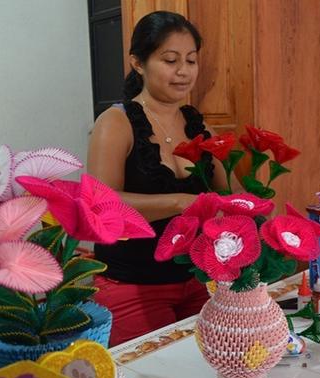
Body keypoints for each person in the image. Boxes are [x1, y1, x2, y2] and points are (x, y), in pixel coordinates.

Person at [87, 11, 231, 347]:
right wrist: (181, 203)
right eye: (170, 60)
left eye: (191, 60)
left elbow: (228, 195)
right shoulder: (115, 124)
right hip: (133, 286)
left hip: (200, 281)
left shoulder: (200, 127)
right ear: (138, 63)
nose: (183, 71)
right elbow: (101, 205)